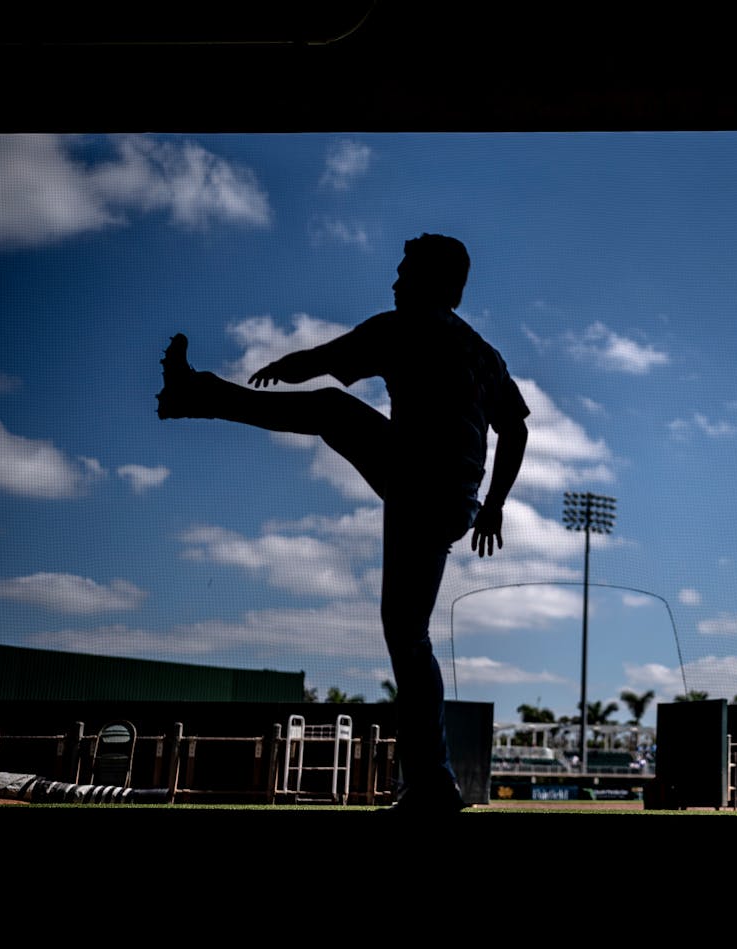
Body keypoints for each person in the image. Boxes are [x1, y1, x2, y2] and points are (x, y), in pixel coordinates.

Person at [156, 233, 530, 815]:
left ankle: (195, 395)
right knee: (410, 639)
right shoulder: (480, 349)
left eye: (404, 272)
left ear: (433, 282)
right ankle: (434, 783)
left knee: (332, 409)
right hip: (452, 500)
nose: (395, 281)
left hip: (420, 483)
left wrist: (284, 366)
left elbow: (325, 361)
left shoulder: (404, 326)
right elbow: (518, 430)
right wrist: (495, 504)